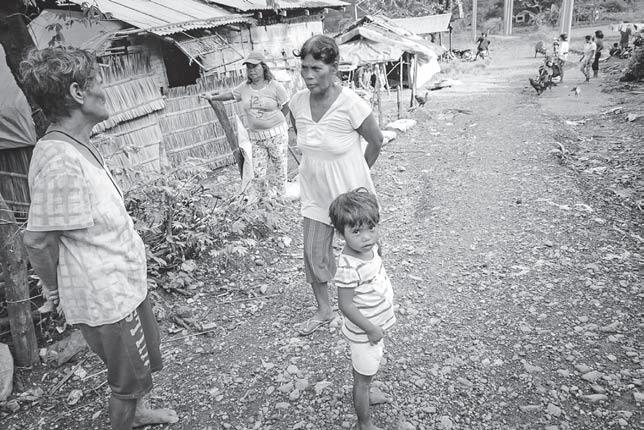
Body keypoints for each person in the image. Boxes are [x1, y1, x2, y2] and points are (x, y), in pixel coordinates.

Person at [19, 47, 178, 430]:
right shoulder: (61, 160)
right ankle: (128, 416)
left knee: (141, 363)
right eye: (98, 82)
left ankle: (139, 413)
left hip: (122, 283)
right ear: (77, 93)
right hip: (105, 297)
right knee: (126, 382)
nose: (105, 91)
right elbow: (38, 240)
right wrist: (55, 291)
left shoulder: (78, 145)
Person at [288, 35, 384, 336]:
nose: (308, 75)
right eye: (304, 68)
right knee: (313, 253)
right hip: (315, 193)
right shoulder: (296, 103)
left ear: (334, 68)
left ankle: (373, 301)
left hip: (350, 195)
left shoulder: (351, 104)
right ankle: (324, 310)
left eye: (316, 68)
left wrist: (359, 178)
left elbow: (376, 141)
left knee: (363, 248)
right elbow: (305, 141)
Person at [328, 188, 395, 430]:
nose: (366, 237)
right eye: (356, 231)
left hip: (374, 327)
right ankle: (363, 423)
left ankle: (366, 389)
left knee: (367, 371)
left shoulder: (370, 248)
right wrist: (370, 329)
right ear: (341, 234)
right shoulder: (349, 266)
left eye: (371, 228)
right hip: (365, 333)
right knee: (362, 379)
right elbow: (345, 304)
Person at [201, 51, 290, 198]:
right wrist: (212, 97)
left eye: (255, 66)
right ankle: (264, 201)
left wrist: (274, 122)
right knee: (258, 174)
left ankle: (281, 199)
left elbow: (286, 105)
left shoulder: (275, 86)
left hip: (277, 136)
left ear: (263, 67)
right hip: (256, 138)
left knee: (280, 170)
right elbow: (230, 95)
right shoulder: (244, 88)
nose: (251, 70)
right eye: (249, 67)